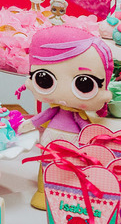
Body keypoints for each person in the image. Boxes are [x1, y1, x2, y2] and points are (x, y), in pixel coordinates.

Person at [19, 25, 113, 210]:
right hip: (49, 144)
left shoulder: (77, 116)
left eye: (84, 84)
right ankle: (43, 192)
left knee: (72, 170)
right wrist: (23, 126)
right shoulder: (55, 111)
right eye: (43, 79)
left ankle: (68, 193)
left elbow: (86, 129)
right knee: (45, 166)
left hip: (73, 149)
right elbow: (38, 119)